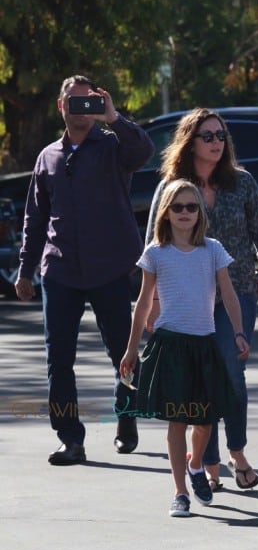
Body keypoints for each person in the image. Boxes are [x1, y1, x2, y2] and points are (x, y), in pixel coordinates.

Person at [15, 74, 154, 465]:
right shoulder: (48, 157)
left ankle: (126, 416)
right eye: (73, 102)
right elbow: (35, 218)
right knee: (58, 360)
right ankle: (70, 438)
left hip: (110, 268)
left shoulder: (113, 147)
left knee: (124, 355)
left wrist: (115, 118)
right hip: (60, 271)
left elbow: (144, 152)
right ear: (61, 107)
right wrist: (25, 271)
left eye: (88, 102)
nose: (81, 109)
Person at [145, 108, 258, 491]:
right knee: (201, 382)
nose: (217, 142)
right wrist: (152, 304)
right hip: (186, 299)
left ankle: (236, 453)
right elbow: (153, 246)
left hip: (236, 291)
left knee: (231, 372)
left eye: (221, 135)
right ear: (190, 142)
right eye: (207, 136)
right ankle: (209, 462)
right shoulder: (172, 187)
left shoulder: (242, 183)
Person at [120, 179, 249, 517]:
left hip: (203, 343)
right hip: (170, 344)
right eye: (178, 206)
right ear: (166, 212)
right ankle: (180, 492)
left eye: (192, 206)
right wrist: (131, 349)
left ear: (200, 212)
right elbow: (144, 302)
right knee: (177, 421)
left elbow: (229, 294)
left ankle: (196, 467)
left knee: (205, 421)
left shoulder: (213, 249)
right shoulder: (156, 252)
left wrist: (238, 331)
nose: (185, 212)